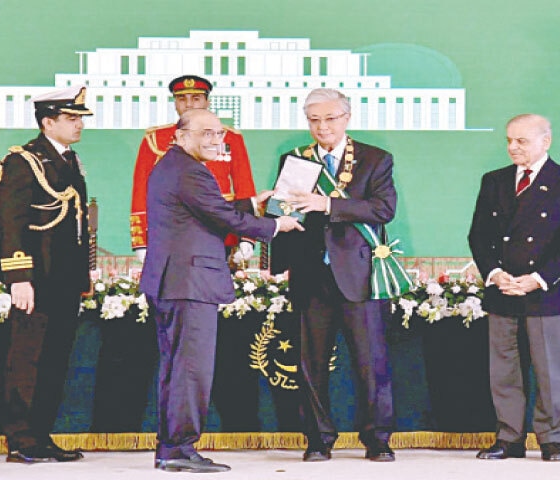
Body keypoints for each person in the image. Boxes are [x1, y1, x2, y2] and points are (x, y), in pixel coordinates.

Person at [139, 108, 302, 473]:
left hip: (176, 281)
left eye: (219, 133)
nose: (216, 140)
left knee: (178, 368)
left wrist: (251, 205)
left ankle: (172, 448)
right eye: (206, 133)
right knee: (189, 370)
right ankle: (179, 449)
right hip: (188, 282)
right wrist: (275, 225)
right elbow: (221, 218)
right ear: (180, 135)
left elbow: (206, 211)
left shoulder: (175, 167)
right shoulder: (189, 170)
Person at [270, 88, 398, 462]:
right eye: (314, 120)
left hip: (358, 273)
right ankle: (317, 438)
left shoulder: (375, 159)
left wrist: (327, 203)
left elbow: (383, 208)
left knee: (370, 362)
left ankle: (378, 439)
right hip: (311, 275)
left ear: (346, 118)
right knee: (311, 363)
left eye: (330, 119)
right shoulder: (294, 159)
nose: (322, 127)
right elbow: (282, 215)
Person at [468, 113, 560, 462]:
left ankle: (551, 439)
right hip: (503, 288)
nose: (512, 147)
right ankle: (509, 438)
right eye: (509, 140)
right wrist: (494, 273)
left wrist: (537, 279)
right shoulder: (493, 181)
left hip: (549, 291)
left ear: (545, 141)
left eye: (521, 141)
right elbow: (478, 234)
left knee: (550, 369)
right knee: (503, 369)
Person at [0, 86, 93, 463]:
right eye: (71, 118)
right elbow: (12, 221)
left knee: (55, 358)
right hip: (36, 279)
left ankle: (42, 433)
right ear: (47, 121)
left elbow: (78, 227)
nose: (79, 125)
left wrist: (81, 280)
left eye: (80, 118)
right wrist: (19, 276)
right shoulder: (24, 160)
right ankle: (21, 438)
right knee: (28, 358)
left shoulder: (70, 160)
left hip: (64, 280)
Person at [130, 74, 257, 266]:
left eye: (196, 98)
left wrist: (247, 237)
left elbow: (244, 189)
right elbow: (141, 191)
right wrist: (140, 242)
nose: (189, 104)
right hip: (171, 231)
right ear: (174, 103)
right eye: (182, 98)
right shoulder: (155, 139)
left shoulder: (231, 138)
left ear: (208, 101)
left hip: (220, 229)